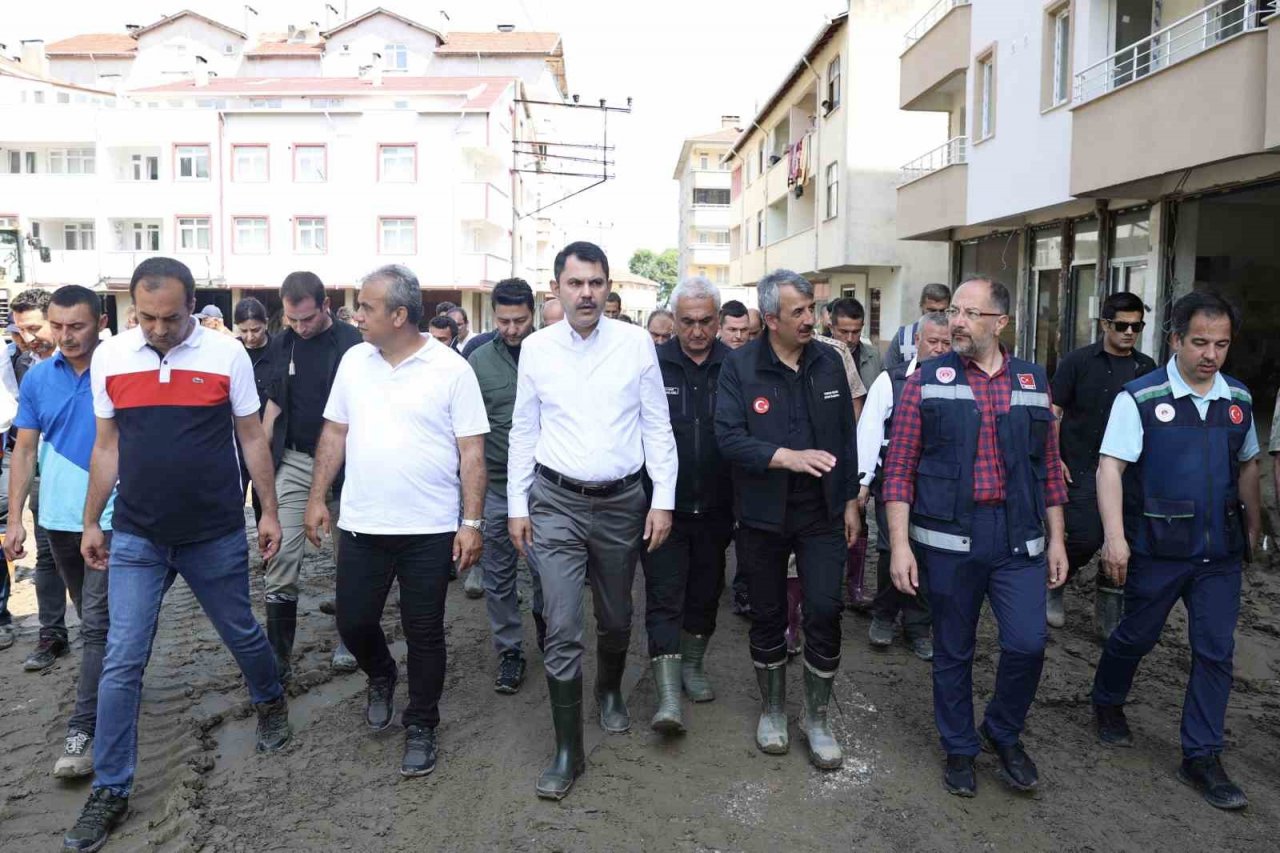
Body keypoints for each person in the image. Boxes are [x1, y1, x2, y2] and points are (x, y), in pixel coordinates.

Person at [62, 257, 290, 852]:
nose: (159, 329)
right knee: (122, 658)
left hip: (213, 532)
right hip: (137, 535)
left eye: (170, 317)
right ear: (131, 311)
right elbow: (107, 447)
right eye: (147, 317)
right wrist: (91, 520)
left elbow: (251, 436)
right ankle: (111, 787)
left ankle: (270, 700)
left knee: (241, 632)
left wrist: (268, 510)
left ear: (193, 304)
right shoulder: (112, 358)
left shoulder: (226, 355)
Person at [882, 277, 1068, 798]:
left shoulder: (1032, 380)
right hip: (948, 541)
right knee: (953, 649)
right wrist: (900, 546)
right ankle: (960, 747)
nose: (956, 323)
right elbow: (899, 468)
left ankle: (1002, 731)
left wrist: (1057, 538)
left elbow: (1049, 465)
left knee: (1028, 643)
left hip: (1018, 538)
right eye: (954, 312)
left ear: (1000, 322)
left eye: (969, 313)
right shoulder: (926, 379)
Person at [305, 264, 489, 778]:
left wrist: (471, 522)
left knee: (424, 630)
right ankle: (382, 672)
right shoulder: (354, 361)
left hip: (428, 529)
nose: (357, 316)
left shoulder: (451, 369)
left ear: (400, 315)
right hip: (362, 523)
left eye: (366, 307)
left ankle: (422, 723)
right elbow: (335, 432)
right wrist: (317, 497)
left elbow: (472, 451)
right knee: (353, 621)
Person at [508, 241, 676, 800]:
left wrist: (663, 499)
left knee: (616, 614)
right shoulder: (537, 349)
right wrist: (516, 505)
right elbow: (524, 430)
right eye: (575, 283)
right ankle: (568, 751)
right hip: (555, 502)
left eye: (596, 283)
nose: (586, 293)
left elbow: (657, 425)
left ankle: (608, 688)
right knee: (561, 622)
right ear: (556, 287)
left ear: (608, 288)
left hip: (622, 503)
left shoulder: (635, 344)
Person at [1090, 291, 1261, 812]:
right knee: (1136, 635)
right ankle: (1107, 700)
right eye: (1200, 343)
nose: (1211, 355)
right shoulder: (1141, 398)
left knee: (1215, 651)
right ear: (1176, 340)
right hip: (1159, 547)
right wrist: (1115, 538)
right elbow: (1110, 467)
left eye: (1221, 345)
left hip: (1219, 553)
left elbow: (1249, 463)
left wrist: (1255, 527)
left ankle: (1201, 756)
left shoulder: (1238, 399)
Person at [714, 269, 860, 770]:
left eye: (812, 308)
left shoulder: (829, 360)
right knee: (768, 613)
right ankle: (773, 710)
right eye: (799, 311)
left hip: (822, 512)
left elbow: (845, 438)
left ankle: (816, 718)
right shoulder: (739, 366)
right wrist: (786, 457)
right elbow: (729, 438)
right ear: (771, 319)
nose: (810, 319)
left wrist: (850, 501)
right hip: (762, 513)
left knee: (825, 608)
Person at [5, 286, 112, 779]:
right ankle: (117, 678)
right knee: (93, 618)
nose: (65, 336)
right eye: (58, 326)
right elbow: (25, 450)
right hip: (57, 519)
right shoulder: (37, 379)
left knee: (95, 624)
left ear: (101, 322)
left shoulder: (120, 369)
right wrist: (15, 520)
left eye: (77, 326)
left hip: (112, 519)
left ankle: (83, 730)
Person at [640, 277, 734, 734]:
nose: (697, 331)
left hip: (718, 505)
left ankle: (693, 666)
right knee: (664, 595)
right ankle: (668, 696)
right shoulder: (652, 365)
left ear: (718, 320)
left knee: (706, 590)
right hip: (662, 508)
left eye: (705, 321)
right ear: (674, 320)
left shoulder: (736, 365)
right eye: (687, 321)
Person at [261, 272, 364, 678]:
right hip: (295, 461)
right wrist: (261, 466)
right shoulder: (281, 344)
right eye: (292, 319)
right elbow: (272, 408)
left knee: (349, 558)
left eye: (307, 318)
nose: (300, 328)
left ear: (325, 306)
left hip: (351, 465)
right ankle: (278, 660)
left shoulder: (354, 345)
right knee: (281, 554)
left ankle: (349, 639)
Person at [1048, 292, 1157, 635]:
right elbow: (1053, 411)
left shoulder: (1146, 368)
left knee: (1125, 539)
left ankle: (1108, 613)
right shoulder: (1077, 362)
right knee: (1086, 536)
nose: (1130, 332)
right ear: (1105, 324)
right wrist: (1054, 457)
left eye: (1137, 326)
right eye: (1122, 326)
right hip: (1080, 465)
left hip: (1127, 471)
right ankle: (1053, 584)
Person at [857, 312, 951, 660]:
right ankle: (883, 616)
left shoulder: (960, 383)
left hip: (938, 486)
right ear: (917, 341)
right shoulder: (892, 380)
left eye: (946, 343)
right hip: (893, 481)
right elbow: (869, 432)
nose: (939, 349)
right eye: (933, 341)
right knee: (890, 549)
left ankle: (917, 627)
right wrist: (862, 482)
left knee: (926, 553)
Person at [468, 279, 544, 692]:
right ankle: (509, 652)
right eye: (503, 321)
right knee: (498, 577)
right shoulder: (478, 360)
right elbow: (467, 430)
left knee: (547, 570)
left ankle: (549, 630)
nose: (512, 329)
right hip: (496, 486)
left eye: (520, 320)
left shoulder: (551, 353)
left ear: (533, 314)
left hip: (545, 489)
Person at [8, 288, 67, 672]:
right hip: (45, 481)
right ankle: (53, 633)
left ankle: (107, 637)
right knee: (48, 557)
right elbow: (24, 447)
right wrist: (15, 517)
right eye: (20, 330)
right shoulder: (26, 369)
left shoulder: (96, 364)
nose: (28, 338)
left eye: (34, 328)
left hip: (95, 481)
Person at [820, 297, 875, 610]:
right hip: (827, 448)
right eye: (844, 331)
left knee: (859, 513)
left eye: (857, 331)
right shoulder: (822, 349)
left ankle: (855, 584)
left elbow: (869, 402)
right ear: (831, 325)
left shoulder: (872, 357)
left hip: (859, 448)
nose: (851, 338)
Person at [234, 297, 279, 525]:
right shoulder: (231, 351)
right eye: (244, 331)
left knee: (267, 502)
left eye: (256, 330)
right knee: (234, 501)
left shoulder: (278, 350)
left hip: (269, 441)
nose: (250, 337)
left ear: (266, 323)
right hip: (236, 441)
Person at [884, 283, 951, 370]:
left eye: (942, 311)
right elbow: (889, 370)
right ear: (921, 306)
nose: (937, 315)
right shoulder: (903, 336)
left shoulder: (956, 335)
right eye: (932, 311)